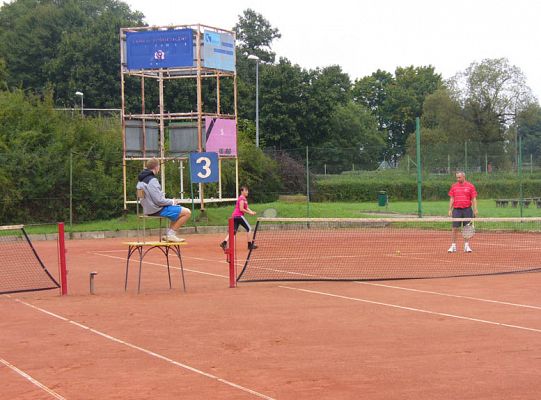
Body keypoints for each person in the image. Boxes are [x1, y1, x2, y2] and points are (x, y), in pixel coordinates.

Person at [136, 158, 191, 242]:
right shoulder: (152, 180)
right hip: (156, 209)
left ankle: (170, 235)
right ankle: (171, 235)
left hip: (148, 209)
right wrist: (172, 201)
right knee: (187, 212)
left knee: (177, 211)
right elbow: (159, 201)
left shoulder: (141, 180)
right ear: (156, 167)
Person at [447, 171, 478, 253]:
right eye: (457, 177)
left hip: (467, 209)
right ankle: (453, 246)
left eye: (459, 177)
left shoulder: (470, 186)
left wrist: (475, 209)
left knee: (467, 228)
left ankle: (466, 246)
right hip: (456, 210)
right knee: (454, 228)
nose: (458, 179)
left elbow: (474, 199)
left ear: (464, 177)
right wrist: (450, 209)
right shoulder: (454, 186)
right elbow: (452, 198)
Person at [220, 186, 257, 250]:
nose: (247, 192)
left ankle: (224, 243)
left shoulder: (244, 199)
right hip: (239, 216)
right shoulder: (242, 199)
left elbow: (246, 207)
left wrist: (251, 211)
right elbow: (241, 209)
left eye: (247, 190)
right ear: (242, 191)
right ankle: (249, 245)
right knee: (249, 229)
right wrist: (249, 213)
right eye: (246, 191)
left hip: (235, 216)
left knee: (233, 232)